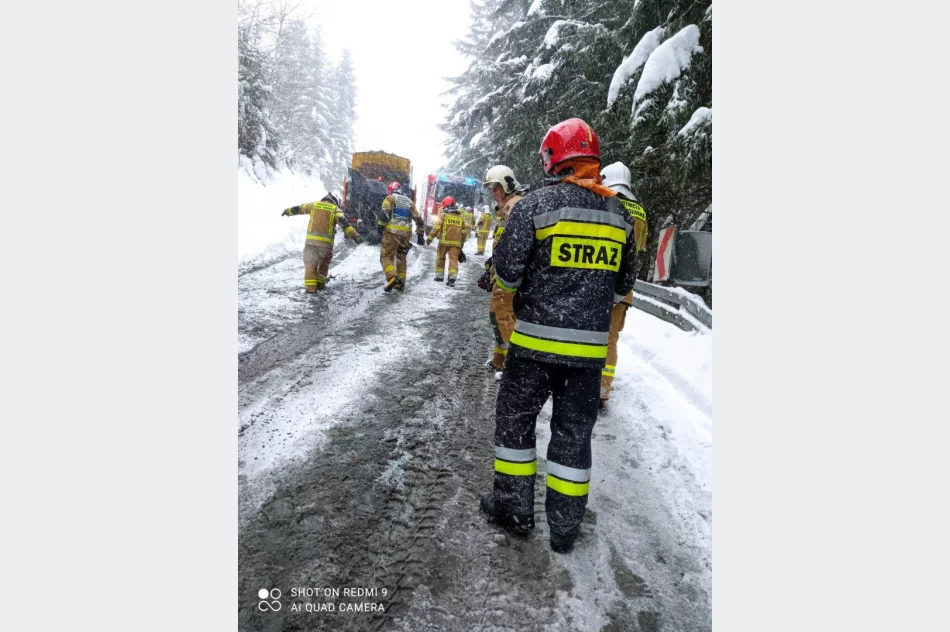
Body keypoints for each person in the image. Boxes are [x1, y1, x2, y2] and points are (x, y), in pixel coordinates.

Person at [479, 118, 639, 554]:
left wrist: (521, 290)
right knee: (573, 435)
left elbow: (508, 274)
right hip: (587, 358)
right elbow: (625, 287)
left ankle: (514, 509)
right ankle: (565, 529)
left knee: (516, 425)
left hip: (532, 348)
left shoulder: (537, 206)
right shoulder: (620, 215)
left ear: (554, 158)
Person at [598, 161, 649, 414]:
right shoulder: (639, 211)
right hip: (623, 286)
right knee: (610, 340)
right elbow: (639, 248)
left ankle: (578, 382)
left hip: (596, 278)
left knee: (585, 333)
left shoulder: (605, 201)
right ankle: (602, 393)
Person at [481, 165, 525, 375]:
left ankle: (515, 366)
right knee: (495, 315)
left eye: (495, 188)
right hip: (502, 273)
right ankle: (500, 358)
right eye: (490, 188)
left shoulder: (514, 207)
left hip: (510, 276)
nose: (492, 193)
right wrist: (490, 267)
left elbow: (514, 245)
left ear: (506, 185)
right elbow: (502, 245)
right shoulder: (506, 208)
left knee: (504, 315)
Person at [281, 191, 361, 293]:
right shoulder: (334, 209)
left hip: (311, 243)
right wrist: (355, 235)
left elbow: (299, 208)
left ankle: (310, 289)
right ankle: (320, 285)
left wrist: (287, 211)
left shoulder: (314, 205)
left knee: (310, 264)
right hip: (325, 245)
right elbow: (344, 223)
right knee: (323, 264)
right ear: (335, 201)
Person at [377, 182, 426, 292]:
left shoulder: (390, 198)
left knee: (386, 256)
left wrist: (380, 225)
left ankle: (392, 277)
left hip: (392, 232)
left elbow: (384, 213)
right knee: (401, 257)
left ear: (390, 190)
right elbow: (419, 220)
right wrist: (420, 234)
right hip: (406, 235)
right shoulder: (410, 202)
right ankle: (400, 283)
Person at [426, 196, 466, 287]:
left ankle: (439, 277)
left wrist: (429, 239)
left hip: (444, 242)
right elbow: (464, 232)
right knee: (453, 260)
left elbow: (436, 228)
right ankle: (452, 279)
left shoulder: (443, 215)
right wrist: (461, 243)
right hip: (456, 244)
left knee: (440, 258)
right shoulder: (460, 217)